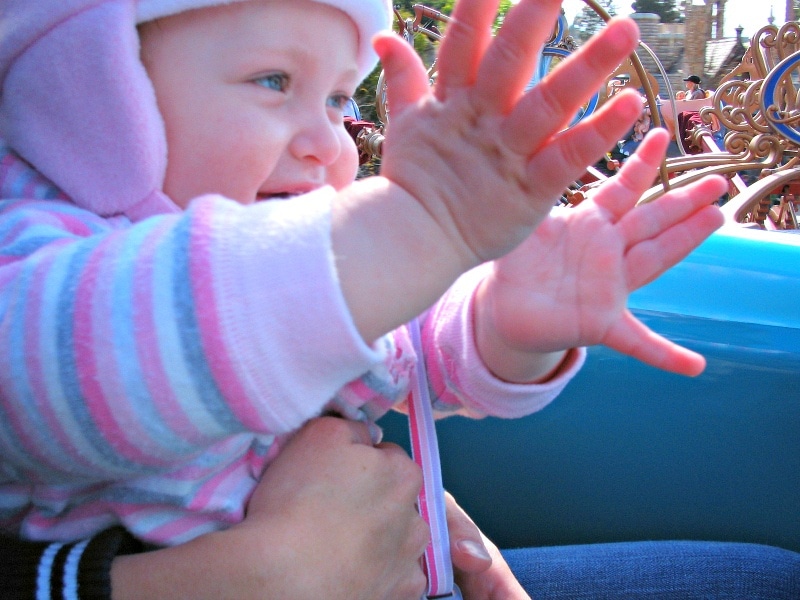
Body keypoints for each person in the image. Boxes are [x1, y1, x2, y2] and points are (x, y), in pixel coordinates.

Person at [3, 0, 798, 598]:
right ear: (89, 97)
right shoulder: (36, 257)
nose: (330, 141)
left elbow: (407, 351)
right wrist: (414, 232)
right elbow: (77, 366)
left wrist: (503, 329)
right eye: (273, 80)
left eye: (339, 100)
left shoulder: (298, 268)